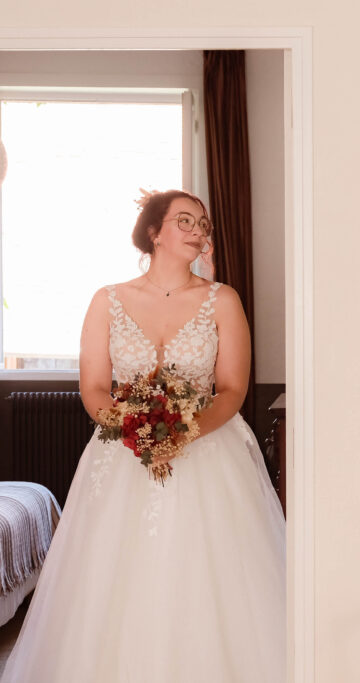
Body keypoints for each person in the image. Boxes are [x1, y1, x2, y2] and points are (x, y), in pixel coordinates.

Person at [0, 190, 285, 682]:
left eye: (203, 223)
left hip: (210, 449)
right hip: (122, 454)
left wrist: (184, 433)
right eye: (185, 221)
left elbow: (233, 389)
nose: (198, 231)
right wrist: (135, 431)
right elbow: (93, 388)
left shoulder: (222, 300)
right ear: (154, 232)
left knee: (212, 575)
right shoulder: (107, 300)